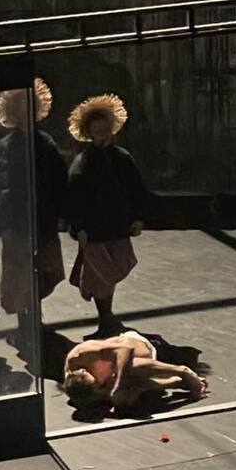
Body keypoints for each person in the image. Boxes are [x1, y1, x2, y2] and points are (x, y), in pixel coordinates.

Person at [0, 77, 68, 350]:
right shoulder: (5, 146)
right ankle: (26, 322)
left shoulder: (45, 143)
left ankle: (33, 317)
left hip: (42, 220)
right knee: (19, 275)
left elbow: (59, 179)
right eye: (20, 106)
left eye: (29, 105)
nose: (25, 111)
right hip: (15, 222)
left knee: (45, 271)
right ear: (12, 111)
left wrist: (60, 212)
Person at [66, 92, 150, 336]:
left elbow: (137, 189)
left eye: (105, 130)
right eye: (97, 131)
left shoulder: (122, 158)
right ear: (89, 133)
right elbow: (74, 198)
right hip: (94, 230)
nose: (102, 135)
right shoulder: (83, 162)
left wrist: (138, 217)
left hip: (118, 227)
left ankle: (107, 318)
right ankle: (106, 319)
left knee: (117, 268)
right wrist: (80, 228)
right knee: (100, 276)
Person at [63, 330, 208, 411]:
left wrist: (119, 384)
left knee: (129, 367)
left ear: (83, 371)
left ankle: (182, 371)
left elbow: (125, 349)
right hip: (134, 369)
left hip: (143, 347)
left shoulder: (81, 354)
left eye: (98, 383)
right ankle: (177, 383)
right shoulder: (79, 389)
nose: (101, 386)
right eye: (99, 388)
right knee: (125, 399)